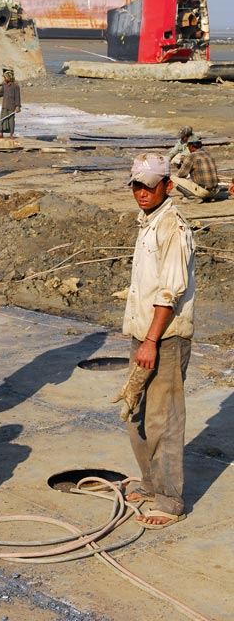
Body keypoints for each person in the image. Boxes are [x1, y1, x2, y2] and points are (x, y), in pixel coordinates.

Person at [123, 153, 195, 528]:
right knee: (136, 413)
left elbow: (170, 292)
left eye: (148, 186)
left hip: (163, 339)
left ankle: (169, 500)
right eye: (136, 185)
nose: (141, 192)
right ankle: (151, 484)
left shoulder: (173, 228)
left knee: (162, 420)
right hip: (143, 334)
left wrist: (150, 340)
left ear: (166, 186)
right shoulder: (148, 222)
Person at [170, 135, 219, 202]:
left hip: (203, 191)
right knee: (193, 180)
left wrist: (181, 165)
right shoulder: (209, 154)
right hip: (215, 192)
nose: (188, 149)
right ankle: (208, 197)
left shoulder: (191, 156)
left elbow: (181, 175)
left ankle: (193, 198)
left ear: (192, 147)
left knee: (172, 178)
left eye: (188, 147)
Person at [0, 70, 21, 139]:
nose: (4, 79)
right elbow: (1, 93)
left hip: (11, 106)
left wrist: (18, 106)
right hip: (4, 105)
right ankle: (1, 133)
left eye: (5, 77)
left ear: (9, 77)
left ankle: (11, 134)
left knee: (11, 120)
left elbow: (17, 97)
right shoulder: (4, 85)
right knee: (2, 120)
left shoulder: (15, 86)